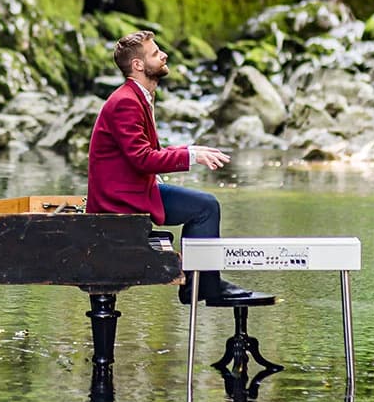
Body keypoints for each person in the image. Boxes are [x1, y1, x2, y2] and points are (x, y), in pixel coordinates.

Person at [86, 30, 264, 304]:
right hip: (120, 202)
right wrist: (190, 156)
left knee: (204, 206)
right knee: (205, 207)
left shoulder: (137, 96)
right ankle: (203, 285)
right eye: (156, 53)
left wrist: (189, 151)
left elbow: (145, 154)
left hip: (133, 191)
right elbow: (142, 158)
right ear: (138, 65)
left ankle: (201, 283)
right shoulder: (125, 102)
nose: (164, 55)